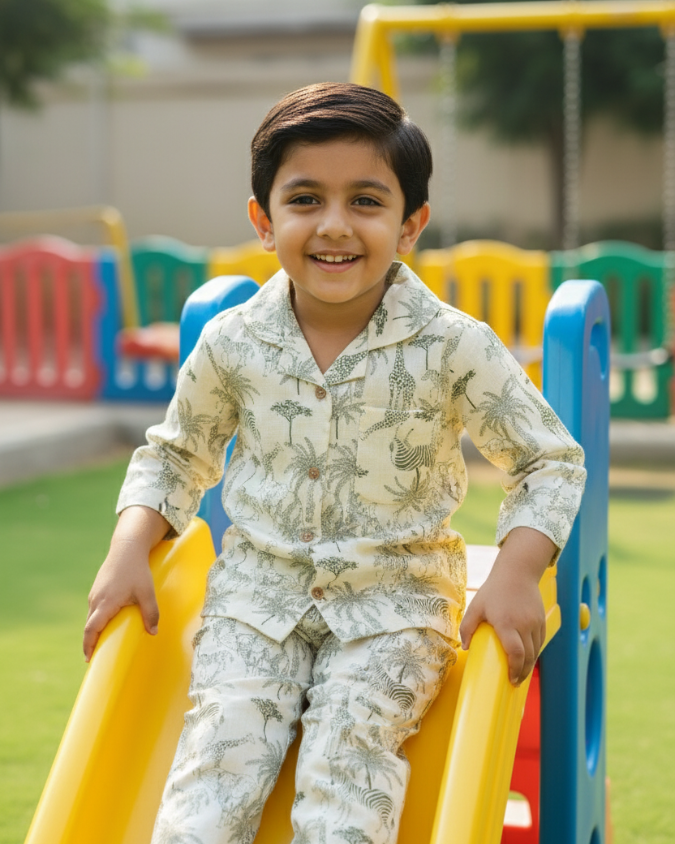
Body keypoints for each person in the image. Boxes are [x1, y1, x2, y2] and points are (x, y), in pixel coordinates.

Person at [83, 82, 586, 844]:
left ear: (410, 224)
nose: (333, 226)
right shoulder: (232, 342)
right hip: (256, 604)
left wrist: (516, 571)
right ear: (263, 219)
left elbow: (547, 462)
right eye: (306, 199)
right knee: (215, 765)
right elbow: (175, 454)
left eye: (365, 202)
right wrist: (127, 550)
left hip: (394, 610)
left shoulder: (453, 345)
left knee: (345, 766)